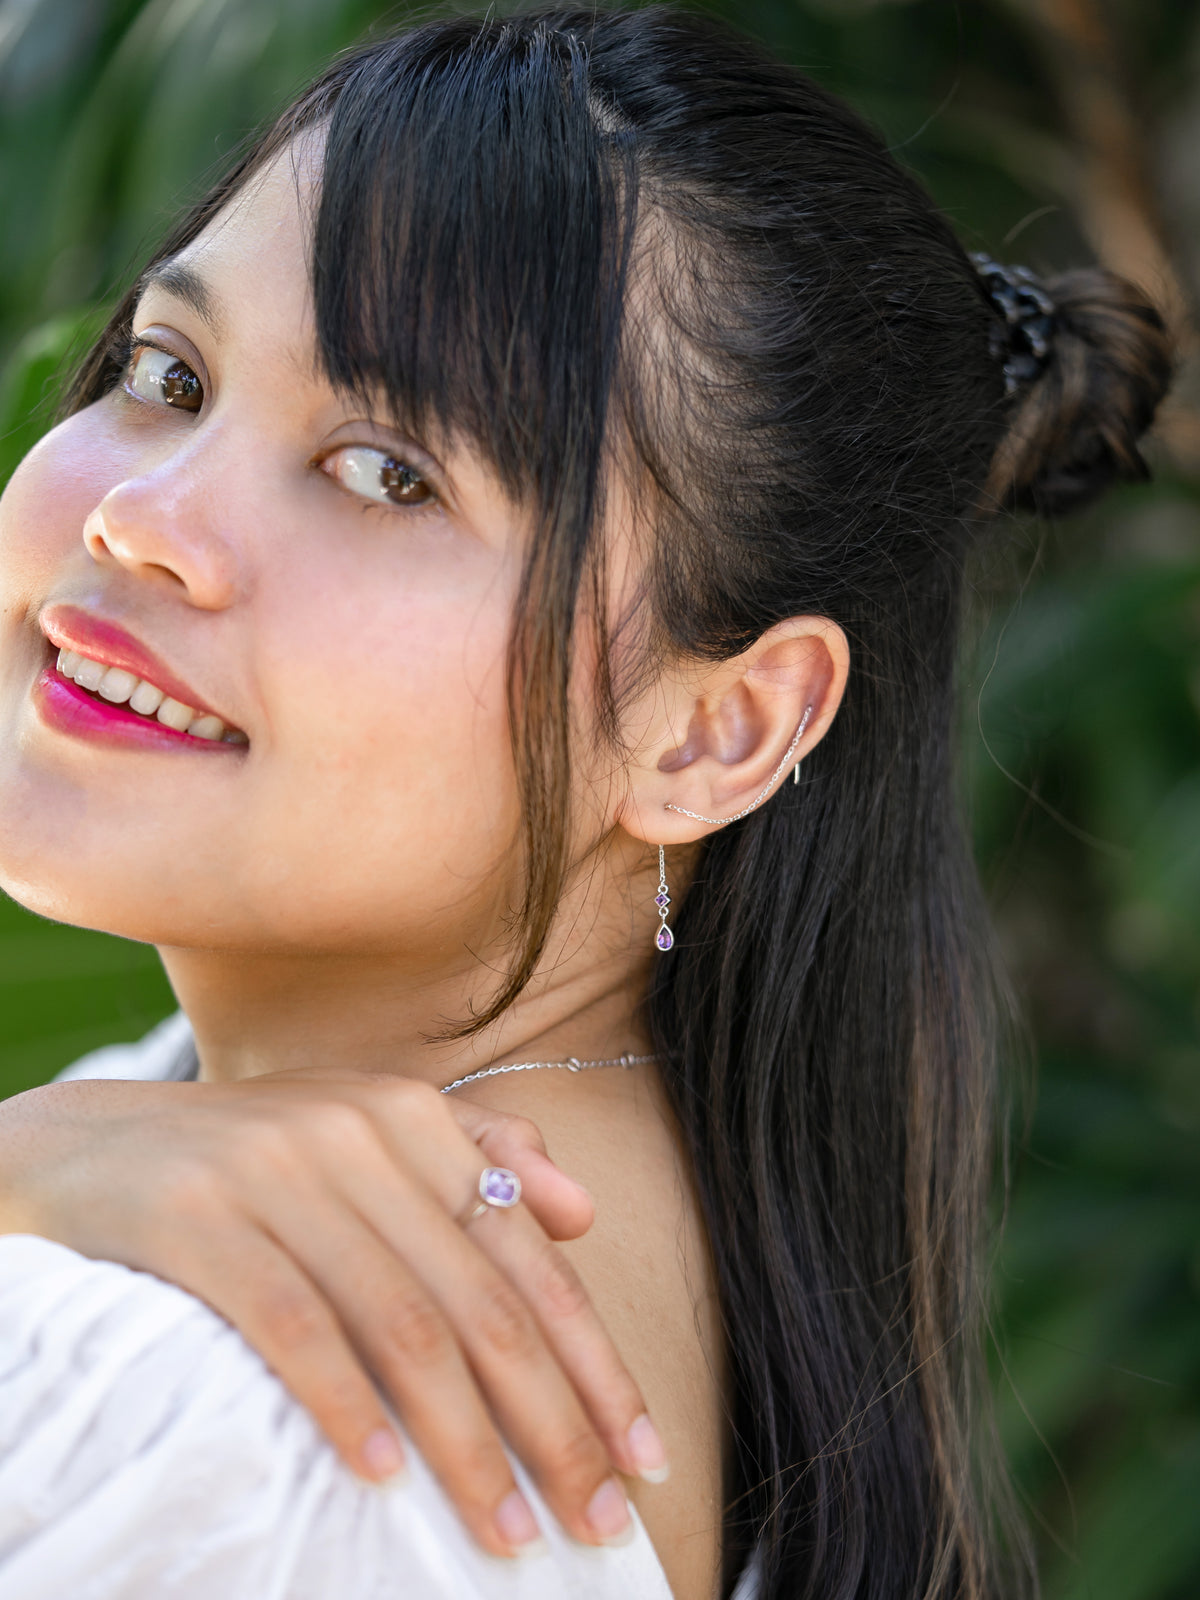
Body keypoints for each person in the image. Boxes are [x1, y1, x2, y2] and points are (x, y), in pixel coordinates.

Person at [0, 7, 1174, 1599]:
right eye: (168, 371)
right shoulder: (665, 1235)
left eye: (387, 472)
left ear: (716, 730)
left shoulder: (203, 1422)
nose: (143, 520)